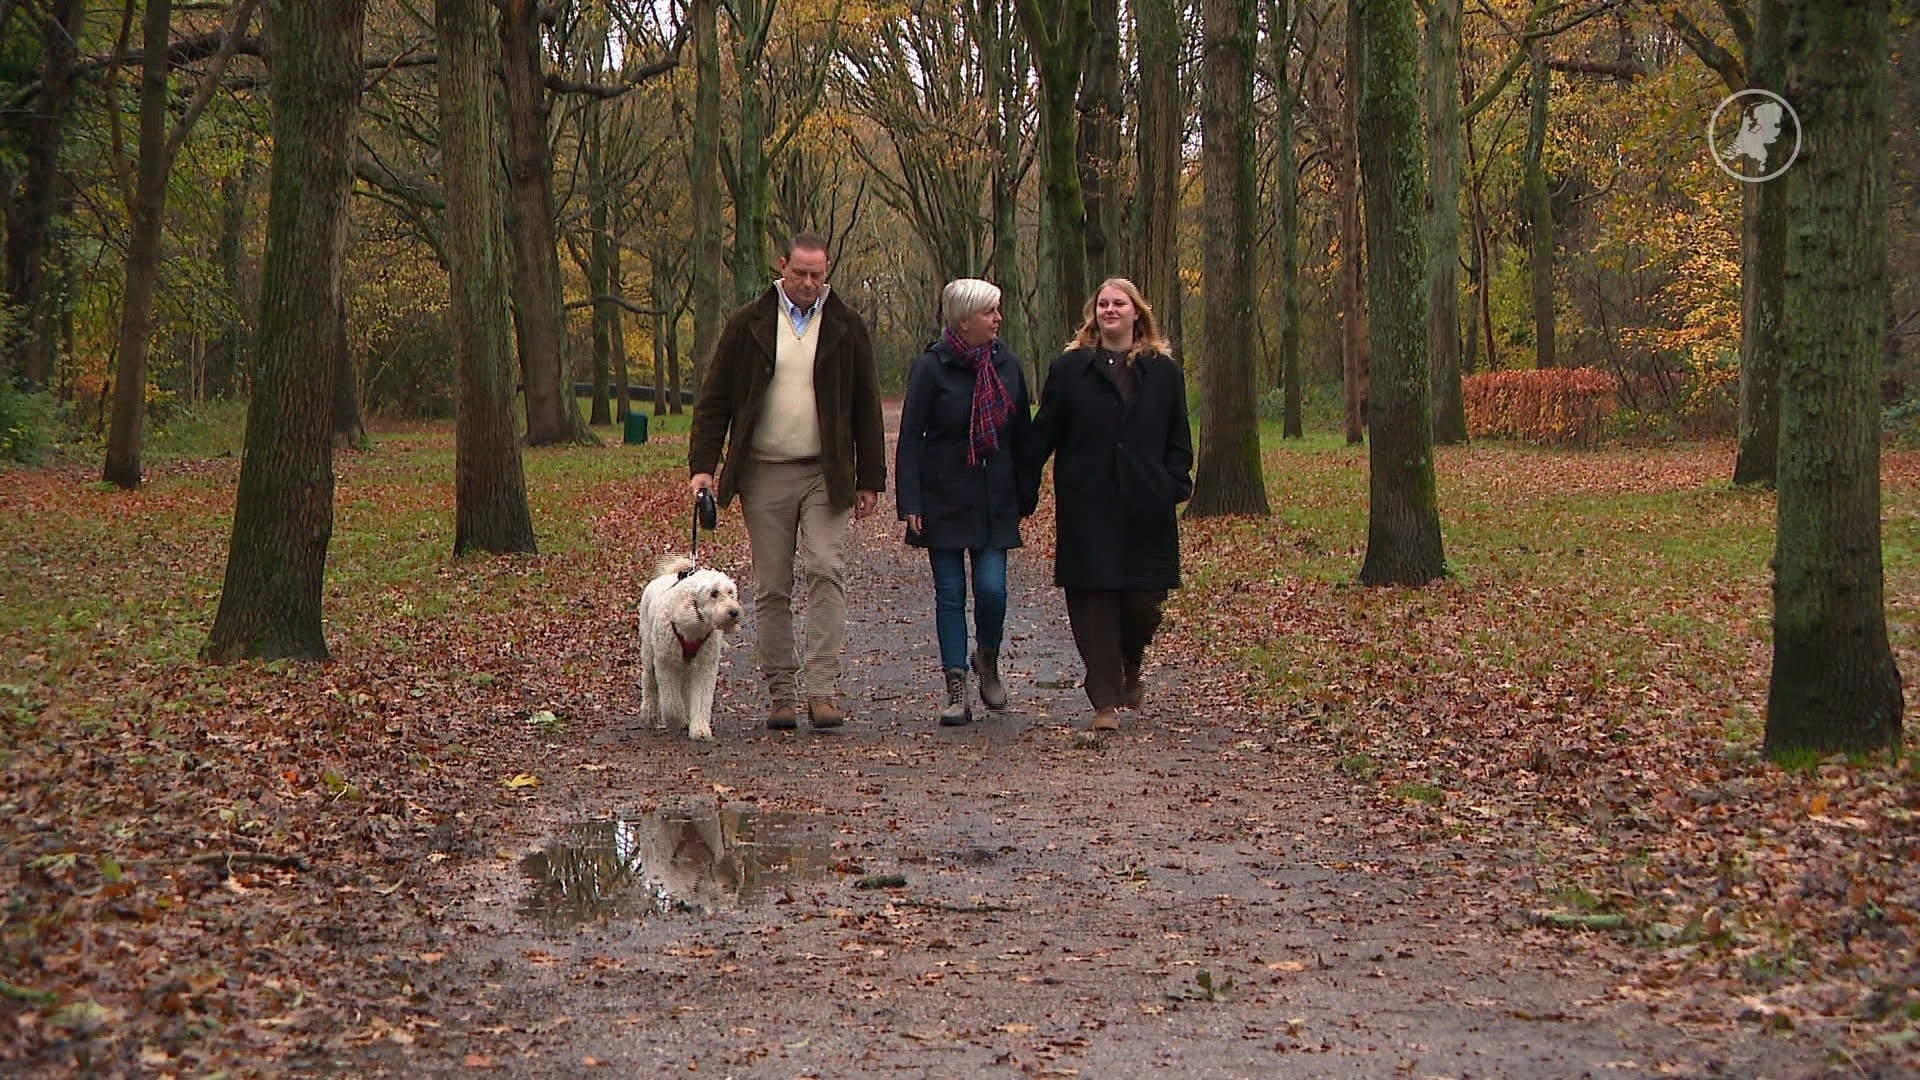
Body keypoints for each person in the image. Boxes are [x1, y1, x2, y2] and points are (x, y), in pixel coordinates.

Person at [688, 232, 886, 732]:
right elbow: (714, 401)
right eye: (800, 273)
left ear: (827, 273)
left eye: (818, 275)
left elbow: (866, 404)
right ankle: (782, 694)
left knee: (826, 569)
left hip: (827, 473)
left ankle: (822, 690)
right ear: (783, 267)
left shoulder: (846, 326)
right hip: (763, 472)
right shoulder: (748, 325)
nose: (808, 283)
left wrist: (871, 480)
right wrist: (703, 467)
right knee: (772, 585)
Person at [1024, 278, 1193, 732]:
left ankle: (1129, 661)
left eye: (1119, 303)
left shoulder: (1163, 371)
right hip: (1087, 501)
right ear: (1093, 313)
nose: (1110, 310)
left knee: (1143, 602)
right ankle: (1104, 700)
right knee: (1092, 597)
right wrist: (1019, 480)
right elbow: (1045, 433)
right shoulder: (1071, 369)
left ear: (1138, 312)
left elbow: (1179, 435)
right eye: (1103, 303)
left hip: (1146, 501)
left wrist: (1174, 482)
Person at [896, 278, 1035, 727]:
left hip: (995, 498)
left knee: (993, 590)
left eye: (998, 310)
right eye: (990, 311)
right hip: (944, 497)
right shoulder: (931, 368)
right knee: (951, 594)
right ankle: (955, 685)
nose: (998, 319)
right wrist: (910, 501)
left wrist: (1026, 493)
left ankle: (987, 659)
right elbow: (911, 439)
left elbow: (1023, 437)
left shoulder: (1008, 365)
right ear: (963, 320)